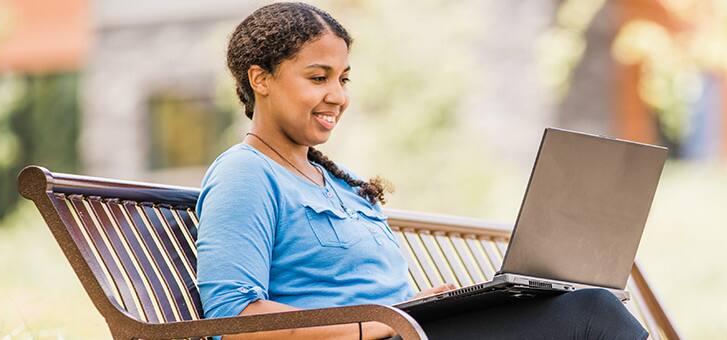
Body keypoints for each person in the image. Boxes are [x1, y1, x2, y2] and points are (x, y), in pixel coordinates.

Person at [195, 2, 649, 339]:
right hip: (388, 335)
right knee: (591, 314)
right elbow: (232, 320)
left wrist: (422, 305)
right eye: (319, 78)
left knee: (580, 304)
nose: (338, 95)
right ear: (261, 80)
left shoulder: (335, 180)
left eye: (343, 78)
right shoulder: (245, 175)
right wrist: (376, 320)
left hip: (408, 329)